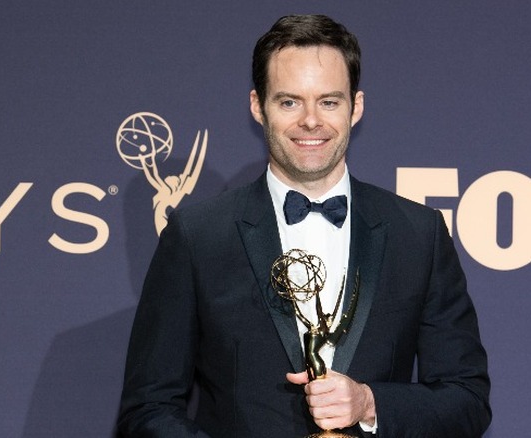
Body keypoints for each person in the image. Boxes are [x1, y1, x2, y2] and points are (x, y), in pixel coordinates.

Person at [117, 14, 491, 437]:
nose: (311, 121)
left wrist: (370, 402)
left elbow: (467, 400)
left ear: (357, 106)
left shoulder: (418, 235)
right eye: (290, 101)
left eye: (329, 101)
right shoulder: (198, 236)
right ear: (258, 106)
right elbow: (147, 409)